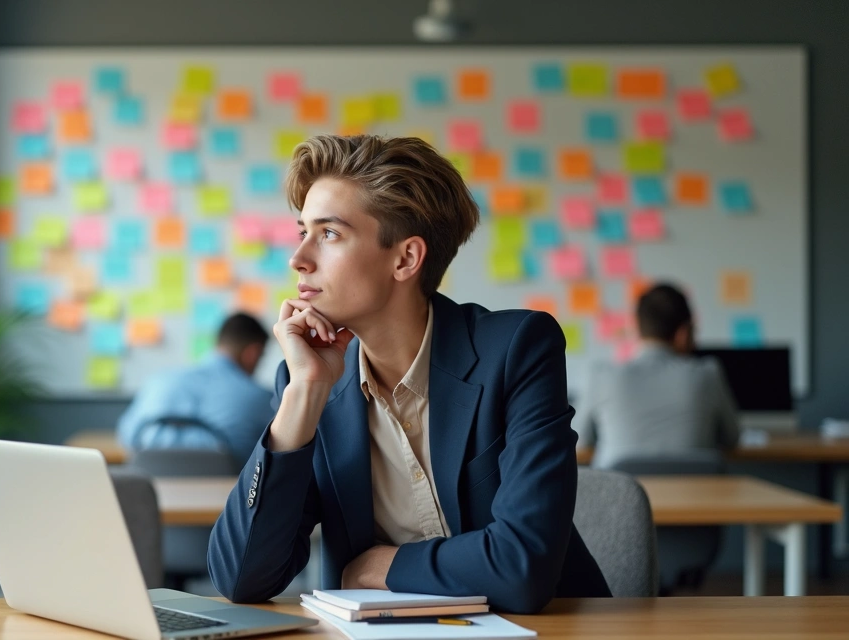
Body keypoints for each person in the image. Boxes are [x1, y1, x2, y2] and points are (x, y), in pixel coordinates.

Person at [207, 135, 610, 614]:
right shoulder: (310, 383)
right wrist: (304, 394)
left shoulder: (517, 349)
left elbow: (522, 567)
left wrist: (380, 566)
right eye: (302, 233)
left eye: (329, 234)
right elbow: (241, 579)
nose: (299, 259)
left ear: (405, 259)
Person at [574, 283, 740, 469]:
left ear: (638, 328)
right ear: (683, 333)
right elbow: (732, 438)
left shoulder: (601, 376)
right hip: (693, 487)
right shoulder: (708, 374)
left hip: (622, 487)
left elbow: (580, 440)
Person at [117, 313, 275, 466]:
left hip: (154, 483)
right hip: (225, 484)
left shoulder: (158, 382)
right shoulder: (262, 398)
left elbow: (126, 436)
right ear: (252, 353)